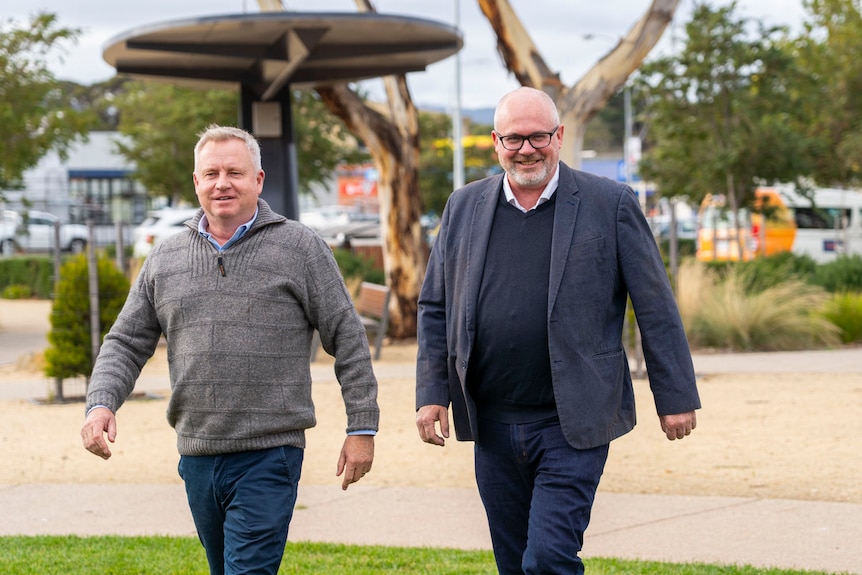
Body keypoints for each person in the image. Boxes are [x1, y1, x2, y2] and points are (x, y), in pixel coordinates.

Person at [415, 87, 700, 575]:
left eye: (538, 136)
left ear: (559, 136)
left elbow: (654, 305)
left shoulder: (609, 203)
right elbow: (435, 305)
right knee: (513, 563)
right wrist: (431, 393)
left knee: (548, 559)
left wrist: (674, 396)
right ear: (496, 142)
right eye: (514, 138)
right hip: (493, 423)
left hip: (573, 421)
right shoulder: (463, 206)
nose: (527, 149)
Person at [81, 125, 379, 575]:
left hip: (270, 454)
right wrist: (101, 403)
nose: (222, 183)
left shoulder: (300, 249)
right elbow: (125, 341)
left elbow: (349, 339)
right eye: (211, 173)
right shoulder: (166, 258)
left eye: (235, 172)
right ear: (196, 182)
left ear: (258, 180)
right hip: (196, 455)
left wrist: (362, 427)